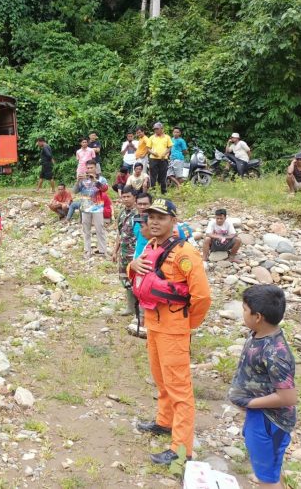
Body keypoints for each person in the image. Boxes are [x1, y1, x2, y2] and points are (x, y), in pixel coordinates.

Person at [129, 198, 211, 466]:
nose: (154, 221)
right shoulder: (152, 246)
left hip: (173, 329)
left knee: (179, 388)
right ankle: (164, 422)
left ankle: (181, 449)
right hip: (153, 323)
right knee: (161, 379)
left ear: (173, 221)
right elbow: (139, 274)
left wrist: (186, 325)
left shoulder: (186, 253)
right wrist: (132, 267)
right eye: (151, 216)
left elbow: (201, 297)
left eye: (161, 217)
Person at [228, 285, 297, 489]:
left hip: (269, 422)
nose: (242, 313)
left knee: (267, 479)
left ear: (258, 316)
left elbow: (288, 398)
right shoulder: (258, 333)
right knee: (270, 469)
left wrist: (250, 402)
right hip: (259, 416)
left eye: (244, 309)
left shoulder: (276, 353)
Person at [112, 187, 138, 317]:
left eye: (128, 196)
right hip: (123, 252)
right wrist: (114, 251)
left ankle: (140, 308)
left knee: (137, 280)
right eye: (124, 197)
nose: (126, 199)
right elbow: (119, 233)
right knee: (125, 279)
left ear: (134, 198)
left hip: (135, 253)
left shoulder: (139, 214)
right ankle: (130, 307)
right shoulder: (122, 213)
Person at [75, 161, 108, 257]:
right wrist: (78, 181)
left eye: (91, 168)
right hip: (85, 208)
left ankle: (102, 250)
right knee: (86, 230)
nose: (89, 170)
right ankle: (87, 250)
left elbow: (105, 189)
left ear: (95, 168)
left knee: (100, 229)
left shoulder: (102, 179)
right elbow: (75, 191)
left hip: (97, 208)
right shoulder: (83, 179)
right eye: (88, 168)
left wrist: (95, 181)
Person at [148, 122, 172, 194]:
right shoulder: (151, 137)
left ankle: (164, 191)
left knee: (163, 175)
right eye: (155, 129)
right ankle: (153, 191)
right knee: (153, 176)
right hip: (153, 159)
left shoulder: (167, 137)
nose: (156, 130)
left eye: (157, 129)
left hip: (163, 159)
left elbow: (170, 147)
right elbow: (148, 148)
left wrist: (164, 154)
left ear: (162, 129)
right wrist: (153, 153)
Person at [132, 192, 153, 259]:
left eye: (145, 204)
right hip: (137, 258)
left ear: (151, 204)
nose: (142, 207)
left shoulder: (156, 221)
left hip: (151, 258)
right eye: (140, 204)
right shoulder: (134, 219)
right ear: (136, 205)